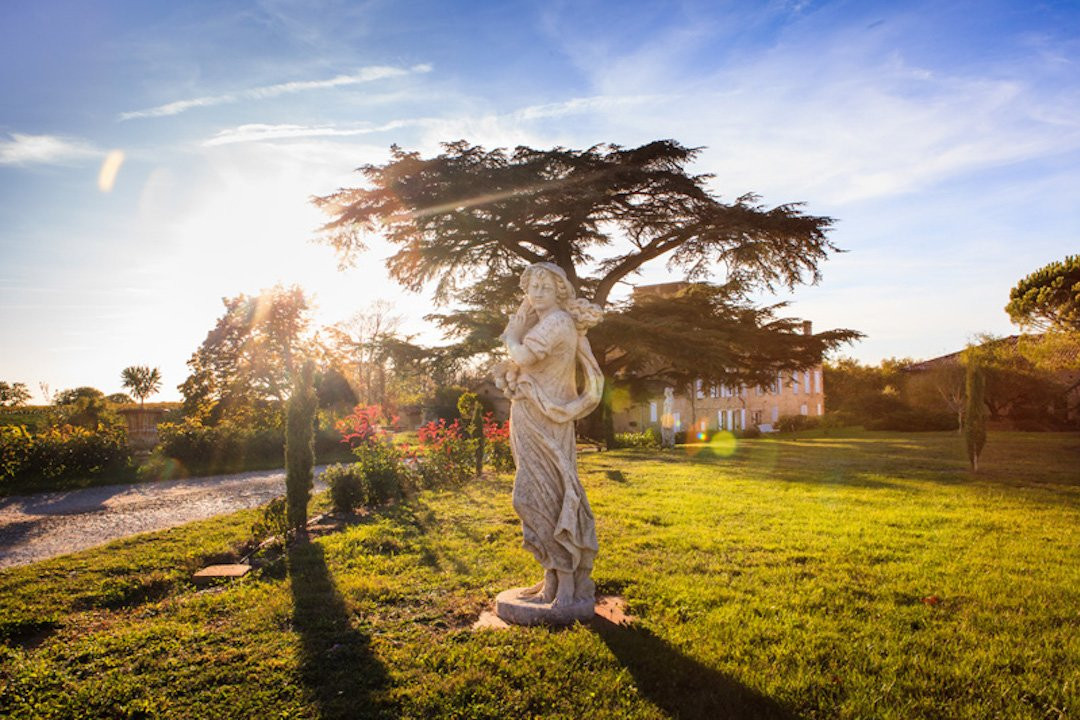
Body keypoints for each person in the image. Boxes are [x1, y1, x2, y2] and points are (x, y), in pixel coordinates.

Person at [497, 262, 604, 607]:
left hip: (545, 420)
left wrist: (511, 336)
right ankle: (553, 581)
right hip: (532, 416)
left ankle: (567, 587)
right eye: (533, 286)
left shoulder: (557, 321)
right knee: (544, 494)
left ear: (560, 290)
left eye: (546, 285)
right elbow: (525, 363)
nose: (538, 291)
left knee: (538, 496)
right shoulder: (547, 321)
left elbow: (524, 353)